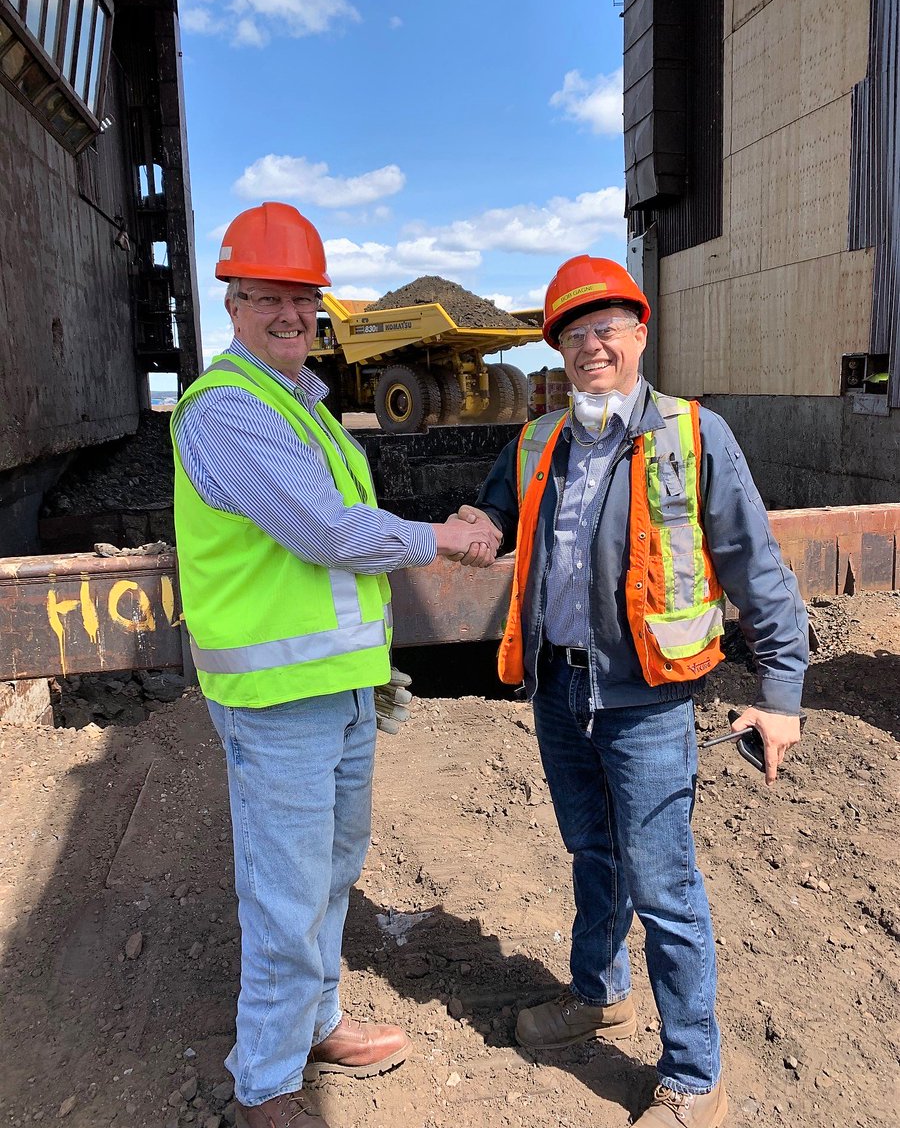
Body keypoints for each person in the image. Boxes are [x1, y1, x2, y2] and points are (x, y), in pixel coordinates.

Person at [457, 255, 808, 1128]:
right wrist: (474, 523)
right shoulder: (538, 441)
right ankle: (599, 992)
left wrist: (783, 693)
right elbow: (497, 514)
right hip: (560, 691)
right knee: (592, 854)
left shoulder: (693, 436)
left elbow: (757, 571)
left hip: (647, 701)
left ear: (641, 334)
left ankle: (695, 1074)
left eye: (606, 329)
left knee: (665, 884)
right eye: (573, 336)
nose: (591, 347)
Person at [170, 202, 500, 1128]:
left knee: (328, 874)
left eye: (301, 298)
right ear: (231, 304)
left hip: (338, 689)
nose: (288, 314)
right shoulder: (228, 408)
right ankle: (267, 1085)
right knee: (284, 893)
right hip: (278, 702)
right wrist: (442, 536)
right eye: (266, 296)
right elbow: (323, 531)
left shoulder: (302, 403)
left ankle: (315, 1023)